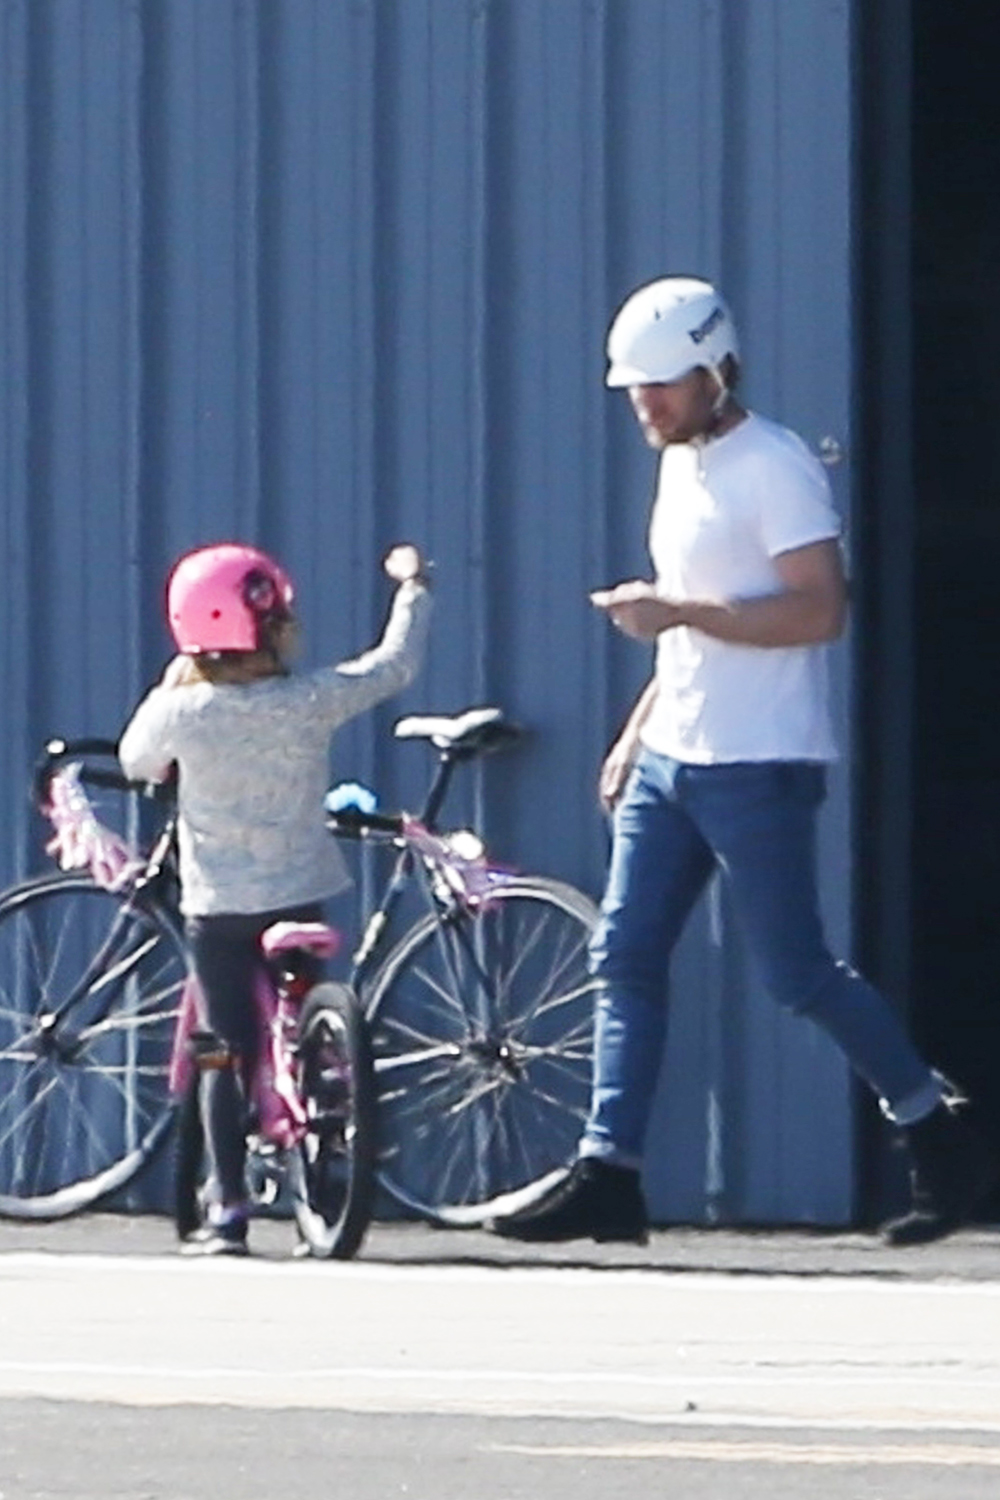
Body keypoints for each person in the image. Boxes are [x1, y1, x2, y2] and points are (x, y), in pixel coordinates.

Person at [495, 275, 994, 1248]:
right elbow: (693, 606)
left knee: (796, 972)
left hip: (757, 761)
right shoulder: (678, 462)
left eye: (663, 385)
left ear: (717, 370)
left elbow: (819, 609)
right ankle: (610, 1172)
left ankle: (936, 1130)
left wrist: (672, 615)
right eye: (634, 388)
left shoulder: (775, 466)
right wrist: (637, 728)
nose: (645, 403)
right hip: (673, 757)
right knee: (624, 953)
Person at [119, 540, 431, 1255]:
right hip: (302, 894)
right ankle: (321, 1180)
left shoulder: (183, 712)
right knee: (306, 1036)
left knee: (223, 1053)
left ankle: (227, 1209)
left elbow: (137, 761)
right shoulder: (305, 701)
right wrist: (416, 588)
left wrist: (170, 687)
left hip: (220, 909)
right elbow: (392, 666)